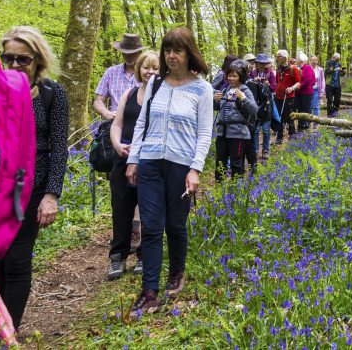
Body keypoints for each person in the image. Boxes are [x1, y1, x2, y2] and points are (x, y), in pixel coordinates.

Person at [125, 27, 213, 317]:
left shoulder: (202, 88)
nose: (171, 56)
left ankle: (176, 270)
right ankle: (149, 291)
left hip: (180, 166)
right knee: (151, 226)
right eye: (167, 50)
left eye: (178, 50)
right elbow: (142, 124)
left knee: (175, 225)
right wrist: (133, 159)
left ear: (189, 53)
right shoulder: (155, 84)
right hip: (150, 162)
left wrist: (195, 169)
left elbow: (204, 133)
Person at [0, 27, 68, 331]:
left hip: (30, 188)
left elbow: (59, 147)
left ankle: (8, 331)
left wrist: (52, 194)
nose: (13, 65)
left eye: (22, 60)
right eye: (7, 57)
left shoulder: (52, 93)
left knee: (17, 260)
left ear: (38, 60)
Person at [108, 50, 160, 280]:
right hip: (123, 159)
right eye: (146, 67)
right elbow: (117, 124)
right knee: (121, 210)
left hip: (152, 162)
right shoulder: (129, 94)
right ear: (139, 69)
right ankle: (118, 257)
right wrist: (118, 145)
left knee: (149, 210)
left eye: (156, 68)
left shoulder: (164, 96)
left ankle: (143, 255)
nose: (150, 72)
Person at [213, 61, 258, 180]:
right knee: (220, 163)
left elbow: (254, 110)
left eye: (234, 76)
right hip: (222, 133)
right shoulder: (225, 90)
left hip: (238, 134)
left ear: (240, 77)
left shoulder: (245, 90)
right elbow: (217, 108)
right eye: (229, 76)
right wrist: (214, 100)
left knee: (236, 163)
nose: (231, 78)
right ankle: (220, 189)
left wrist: (243, 99)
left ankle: (236, 192)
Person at [93, 33, 147, 120]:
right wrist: (106, 113)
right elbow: (98, 100)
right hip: (116, 122)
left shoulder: (147, 73)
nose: (128, 56)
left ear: (139, 52)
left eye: (132, 53)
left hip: (141, 122)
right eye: (125, 53)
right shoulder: (111, 72)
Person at [250, 54, 275, 161]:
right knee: (255, 129)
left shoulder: (270, 73)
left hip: (267, 103)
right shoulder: (252, 73)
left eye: (263, 63)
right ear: (256, 64)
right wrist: (254, 81)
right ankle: (255, 150)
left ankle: (265, 150)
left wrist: (268, 85)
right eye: (259, 63)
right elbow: (247, 85)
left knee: (266, 129)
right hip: (255, 102)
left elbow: (275, 88)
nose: (261, 65)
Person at [274, 50, 300, 144]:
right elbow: (277, 82)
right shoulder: (278, 69)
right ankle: (279, 138)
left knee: (290, 118)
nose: (277, 59)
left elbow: (298, 82)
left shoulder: (292, 69)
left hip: (288, 96)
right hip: (278, 96)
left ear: (284, 58)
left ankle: (292, 138)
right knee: (278, 118)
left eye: (278, 57)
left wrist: (291, 88)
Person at [295, 53, 315, 132]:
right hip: (298, 92)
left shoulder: (308, 68)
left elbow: (307, 80)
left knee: (306, 108)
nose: (296, 60)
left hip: (306, 92)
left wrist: (299, 86)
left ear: (300, 60)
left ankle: (306, 125)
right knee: (299, 109)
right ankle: (300, 126)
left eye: (297, 58)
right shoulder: (296, 68)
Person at [310, 55, 326, 120]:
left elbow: (322, 81)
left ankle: (316, 123)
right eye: (313, 60)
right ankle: (308, 122)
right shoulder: (308, 68)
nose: (314, 62)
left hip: (317, 90)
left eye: (315, 60)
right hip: (309, 90)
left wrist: (321, 92)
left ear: (317, 61)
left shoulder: (320, 70)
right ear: (310, 61)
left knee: (316, 107)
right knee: (309, 107)